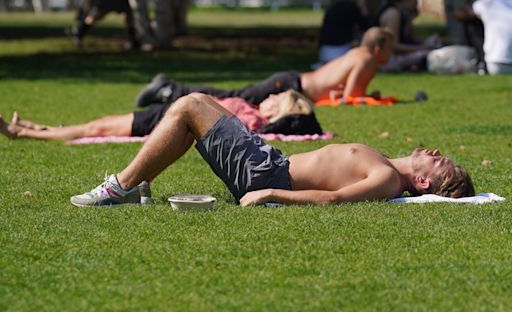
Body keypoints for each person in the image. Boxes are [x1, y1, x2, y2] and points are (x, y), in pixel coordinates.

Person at [69, 92, 475, 207]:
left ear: (422, 181)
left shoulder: (387, 178)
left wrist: (270, 193)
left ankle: (121, 186)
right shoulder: (385, 165)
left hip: (266, 175)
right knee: (202, 101)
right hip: (269, 159)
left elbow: (333, 199)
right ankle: (142, 175)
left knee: (190, 107)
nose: (436, 151)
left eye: (439, 162)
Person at [135, 27, 394, 108]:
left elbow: (341, 93)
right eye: (391, 49)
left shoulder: (357, 52)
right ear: (379, 48)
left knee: (233, 98)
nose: (392, 55)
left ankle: (171, 90)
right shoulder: (366, 59)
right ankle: (170, 90)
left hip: (292, 84)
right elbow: (352, 97)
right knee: (232, 99)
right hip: (290, 88)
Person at [0, 90, 319, 141]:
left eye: (276, 98)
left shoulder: (252, 122)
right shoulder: (251, 111)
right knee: (94, 125)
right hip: (170, 111)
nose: (270, 96)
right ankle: (35, 127)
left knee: (96, 127)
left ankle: (24, 133)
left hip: (169, 119)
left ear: (280, 110)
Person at [377, 0, 441, 72]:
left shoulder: (403, 14)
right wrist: (422, 47)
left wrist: (429, 41)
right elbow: (394, 46)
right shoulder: (393, 14)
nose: (416, 2)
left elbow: (411, 38)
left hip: (398, 57)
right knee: (429, 54)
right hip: (389, 60)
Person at [461, 0, 512, 75]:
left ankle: (480, 62)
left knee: (472, 23)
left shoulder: (488, 4)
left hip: (496, 65)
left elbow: (461, 14)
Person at [316, 0, 368, 66]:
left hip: (324, 52)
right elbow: (365, 27)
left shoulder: (333, 9)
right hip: (340, 52)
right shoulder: (353, 8)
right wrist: (365, 15)